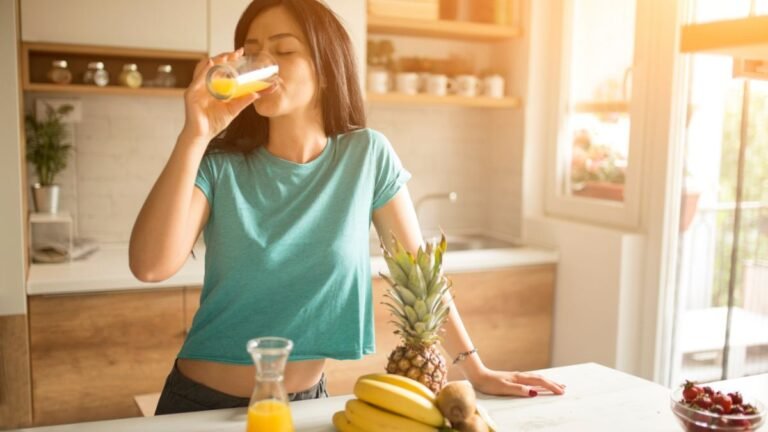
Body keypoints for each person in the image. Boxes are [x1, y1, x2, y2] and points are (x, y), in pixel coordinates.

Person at [129, 0, 565, 415]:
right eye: (253, 51)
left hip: (307, 402)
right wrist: (196, 134)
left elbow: (418, 276)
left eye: (283, 49)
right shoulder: (220, 166)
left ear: (325, 68)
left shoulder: (366, 155)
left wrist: (475, 369)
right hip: (201, 404)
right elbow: (150, 266)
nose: (263, 62)